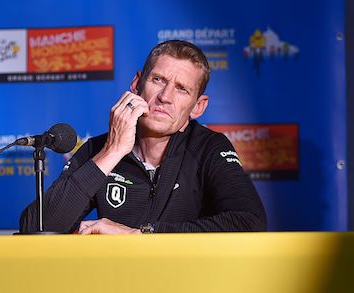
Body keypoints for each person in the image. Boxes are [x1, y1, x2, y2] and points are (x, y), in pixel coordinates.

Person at [20, 40, 266, 234]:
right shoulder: (99, 148)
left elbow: (249, 222)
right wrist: (112, 151)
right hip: (117, 288)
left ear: (198, 107)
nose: (165, 96)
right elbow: (36, 228)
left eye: (182, 89)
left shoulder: (209, 148)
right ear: (137, 84)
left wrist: (142, 234)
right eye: (158, 80)